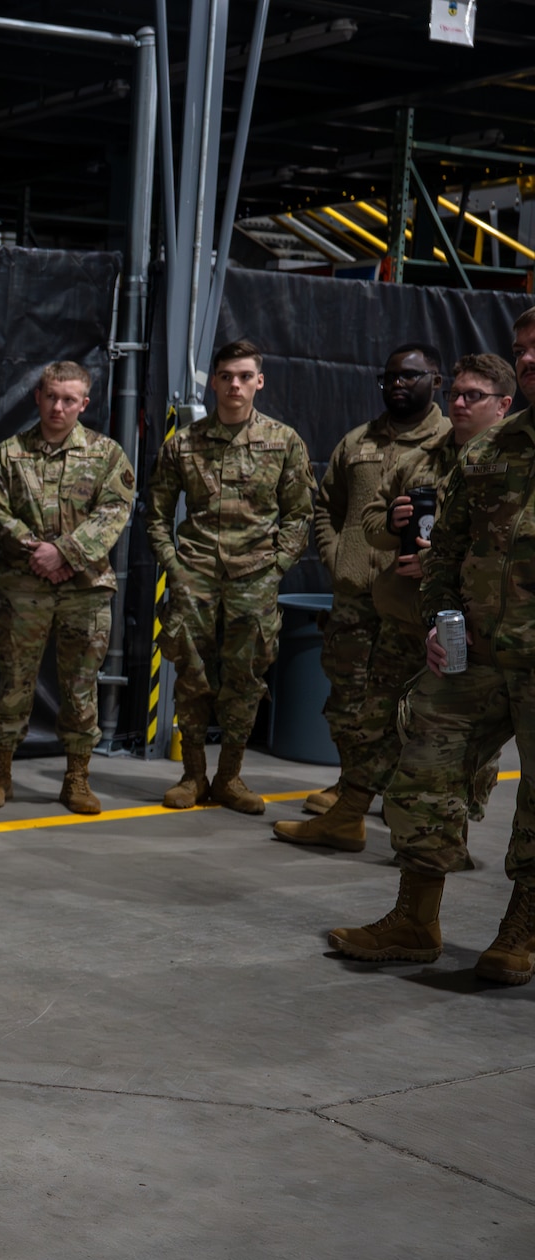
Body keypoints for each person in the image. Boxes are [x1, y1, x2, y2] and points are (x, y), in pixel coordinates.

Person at [329, 314, 535, 987]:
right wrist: (444, 615)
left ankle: (520, 929)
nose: (527, 359)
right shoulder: (492, 452)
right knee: (423, 765)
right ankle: (416, 919)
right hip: (474, 653)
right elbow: (443, 550)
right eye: (521, 350)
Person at [276, 352, 509, 851]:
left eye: (474, 396)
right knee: (372, 723)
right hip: (403, 618)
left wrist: (442, 565)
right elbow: (369, 522)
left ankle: (450, 838)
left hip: (470, 630)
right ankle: (348, 816)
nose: (461, 403)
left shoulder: (509, 467)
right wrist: (393, 526)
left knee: (457, 743)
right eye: (457, 394)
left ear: (504, 405)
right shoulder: (419, 459)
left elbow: (510, 550)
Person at [147, 339, 316, 813]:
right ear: (214, 381)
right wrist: (173, 566)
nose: (235, 385)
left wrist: (277, 566)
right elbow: (156, 513)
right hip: (194, 575)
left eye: (244, 376)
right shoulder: (184, 444)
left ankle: (230, 778)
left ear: (259, 381)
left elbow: (301, 514)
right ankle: (193, 776)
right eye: (226, 376)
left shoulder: (283, 442)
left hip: (254, 578)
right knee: (191, 677)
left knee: (245, 679)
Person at [0, 361, 136, 815]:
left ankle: (77, 779)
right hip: (23, 589)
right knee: (13, 682)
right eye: (51, 396)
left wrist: (64, 554)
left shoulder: (107, 455)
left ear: (84, 404)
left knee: (81, 688)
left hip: (85, 591)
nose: (58, 407)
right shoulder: (8, 455)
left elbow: (113, 513)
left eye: (69, 400)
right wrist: (39, 554)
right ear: (38, 398)